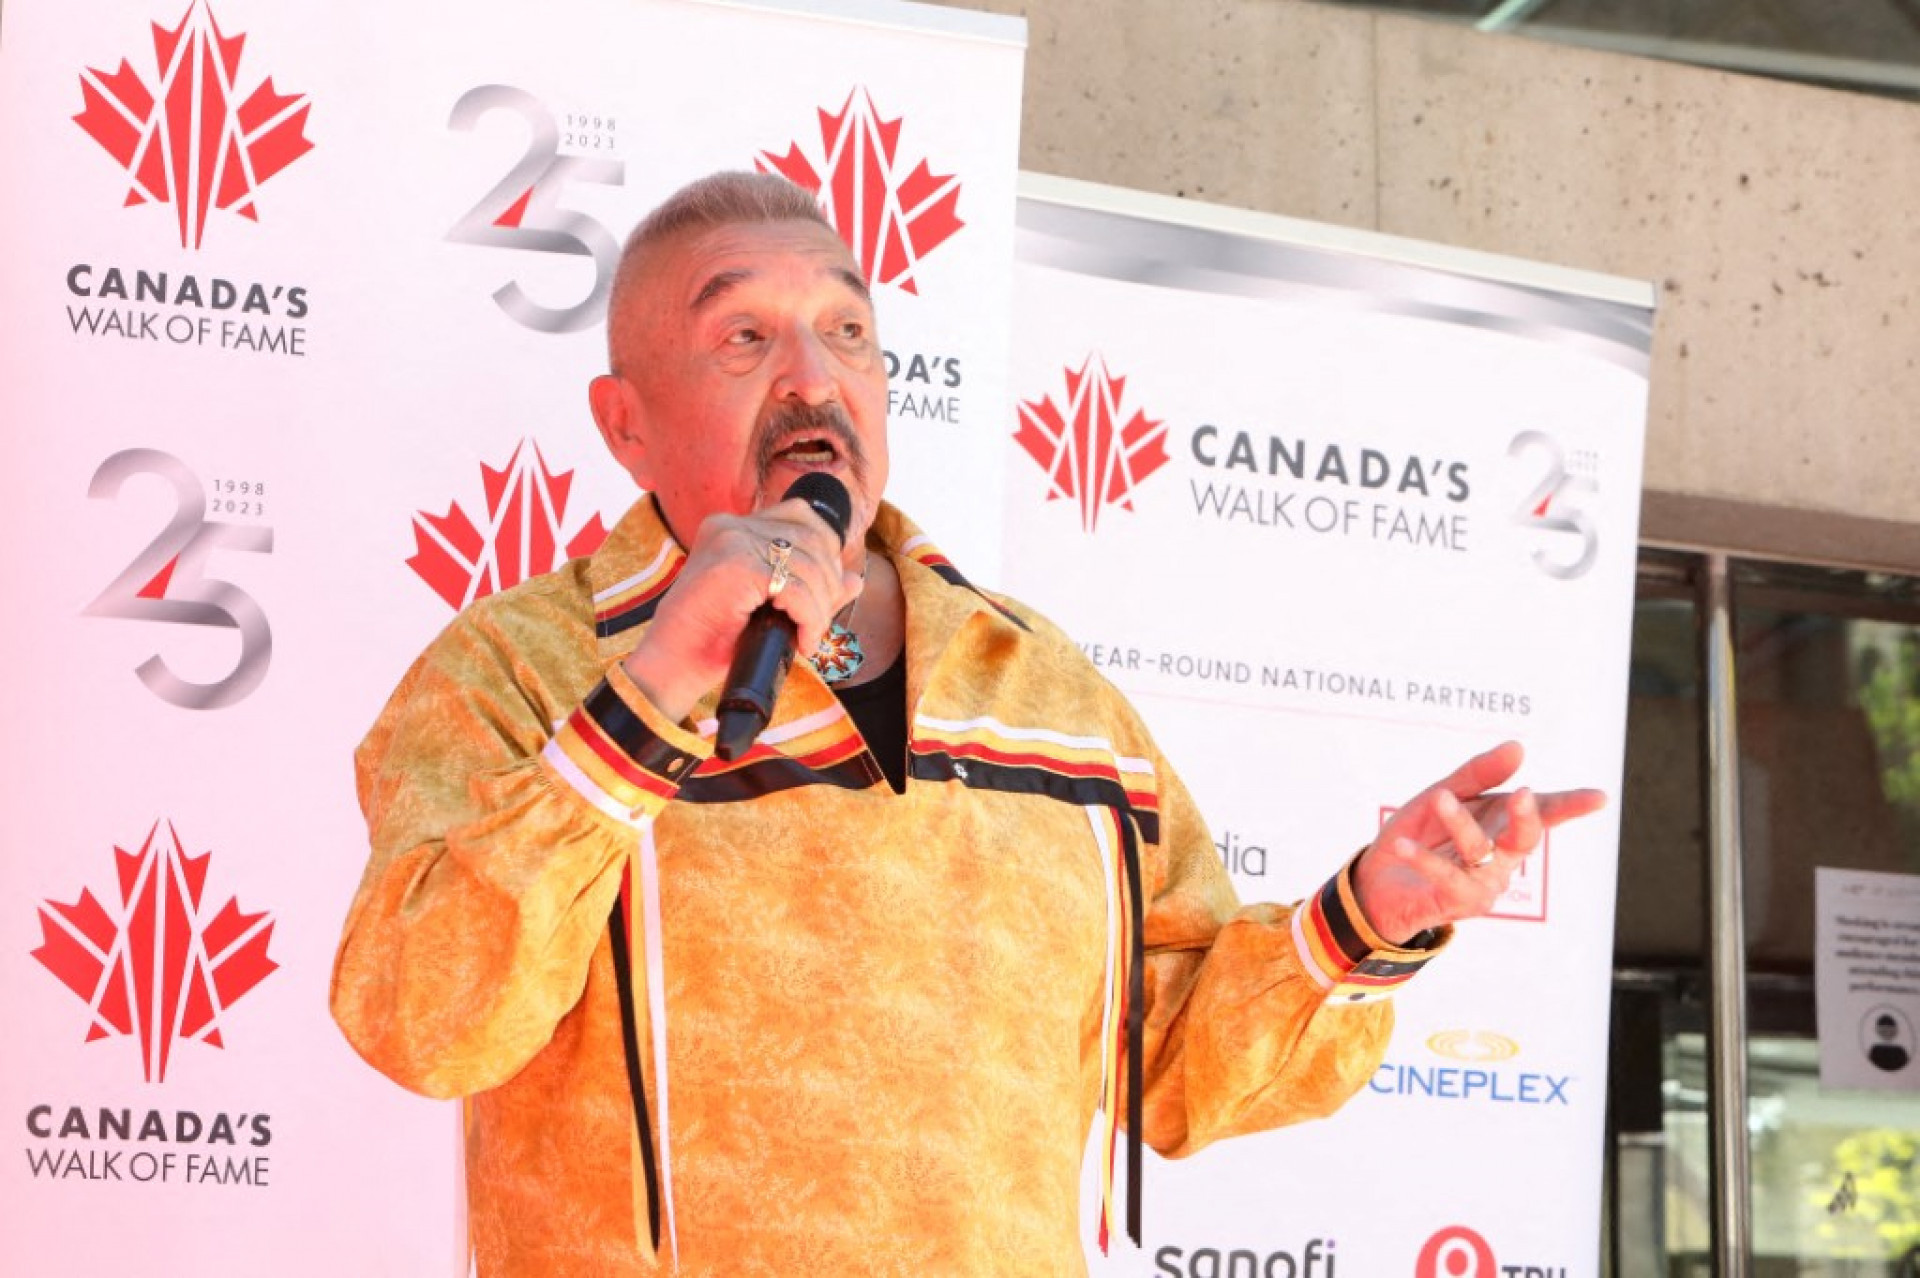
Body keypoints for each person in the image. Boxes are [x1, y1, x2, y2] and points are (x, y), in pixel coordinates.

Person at [330, 171, 1605, 1277]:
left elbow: (1168, 1066)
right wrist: (654, 690)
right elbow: (425, 1022)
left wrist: (1369, 918)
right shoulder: (515, 668)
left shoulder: (1043, 688)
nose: (812, 379)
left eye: (846, 329)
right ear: (626, 424)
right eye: (744, 339)